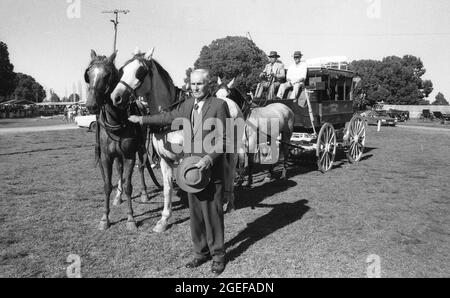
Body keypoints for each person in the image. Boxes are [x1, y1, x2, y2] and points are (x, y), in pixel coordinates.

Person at [128, 69, 231, 275]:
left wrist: (208, 159)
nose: (195, 88)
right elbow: (167, 117)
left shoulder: (220, 105)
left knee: (212, 214)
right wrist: (142, 120)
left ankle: (218, 255)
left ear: (208, 84)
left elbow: (225, 139)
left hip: (211, 171)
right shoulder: (186, 105)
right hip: (190, 171)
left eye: (199, 84)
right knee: (196, 215)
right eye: (192, 84)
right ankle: (200, 253)